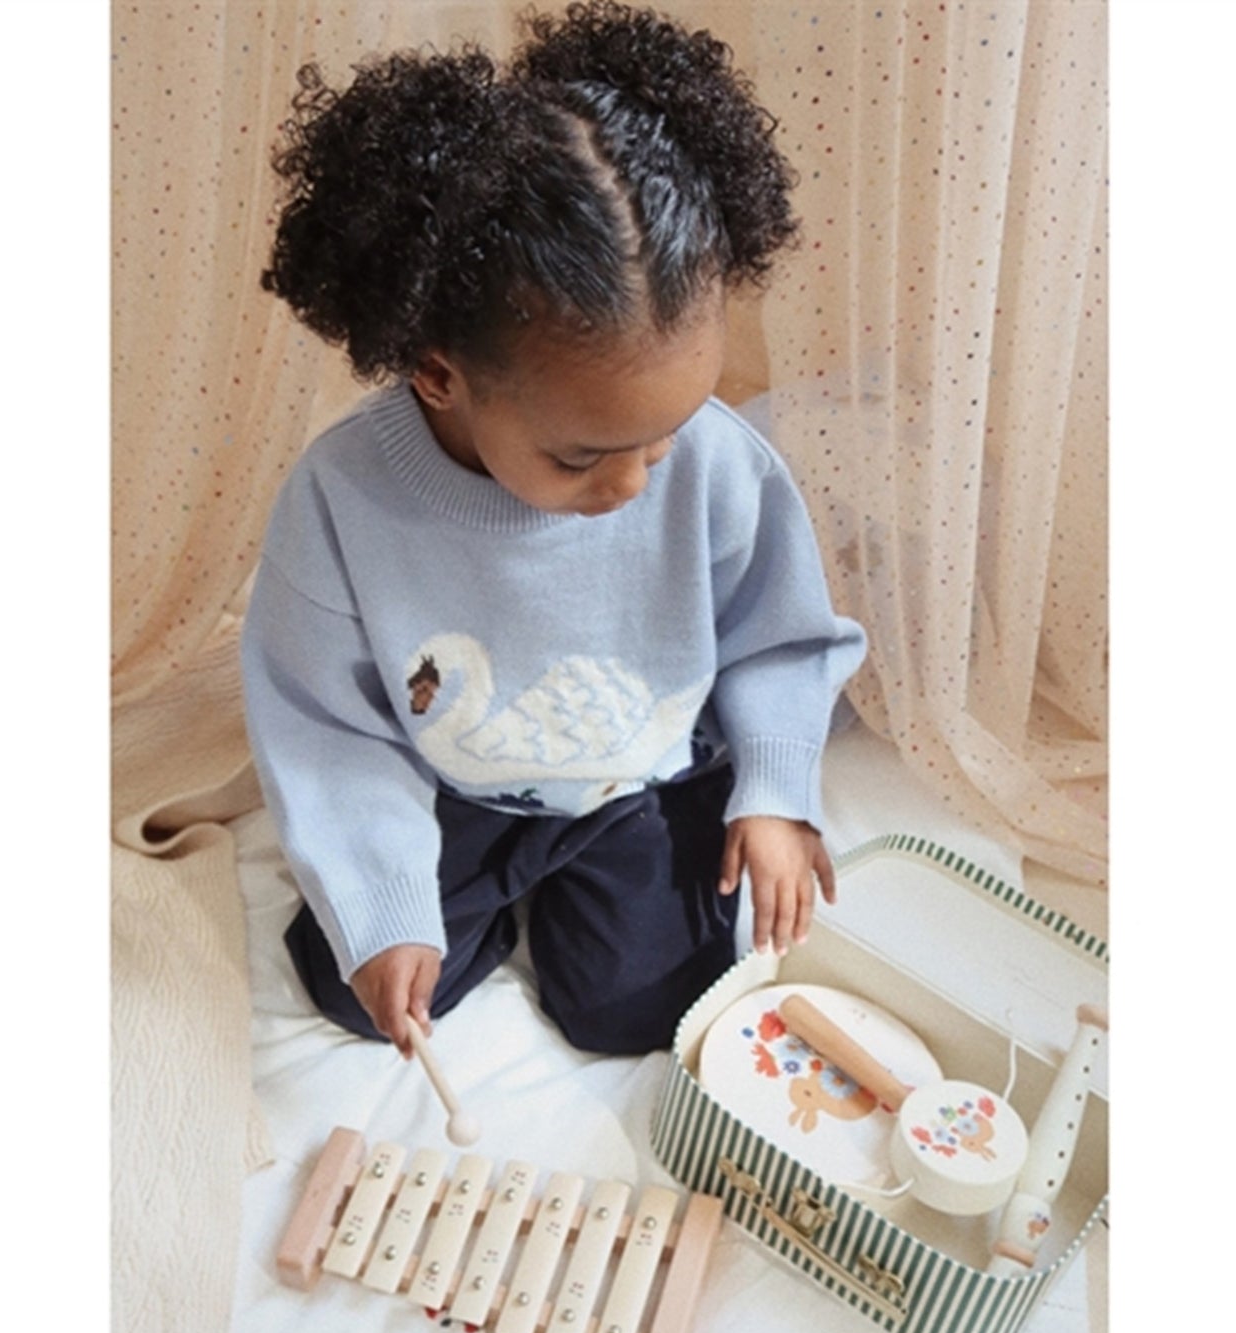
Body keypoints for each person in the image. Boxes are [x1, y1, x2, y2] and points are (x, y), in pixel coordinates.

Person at [242, 1, 866, 1060]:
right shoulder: (342, 500)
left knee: (644, 1012)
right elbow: (326, 724)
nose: (632, 483)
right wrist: (385, 902)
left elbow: (781, 636)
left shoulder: (720, 466)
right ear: (438, 375)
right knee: (358, 983)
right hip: (461, 784)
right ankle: (480, 888)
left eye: (664, 438)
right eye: (582, 457)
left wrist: (772, 790)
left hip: (641, 775)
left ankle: (651, 832)